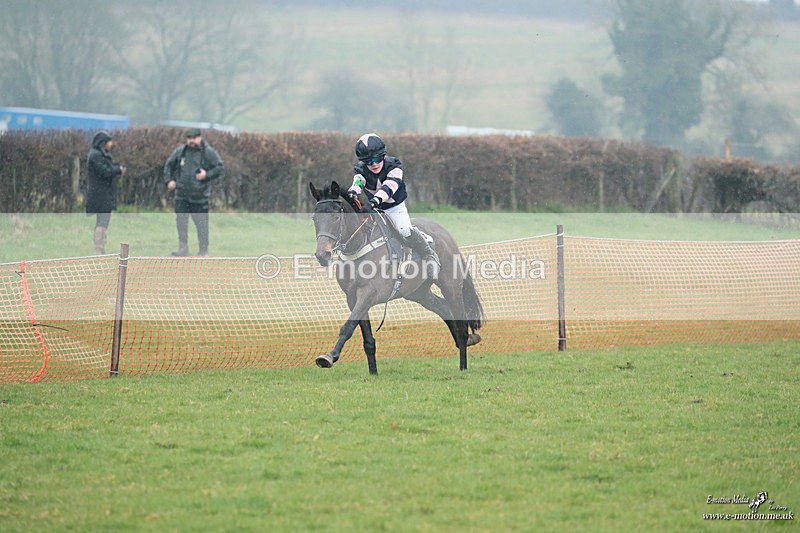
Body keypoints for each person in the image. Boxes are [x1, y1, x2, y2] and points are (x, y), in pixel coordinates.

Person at [347, 132, 440, 277]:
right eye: (369, 162)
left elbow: (389, 187)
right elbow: (358, 182)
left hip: (394, 207)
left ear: (384, 156)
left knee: (404, 230)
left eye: (377, 159)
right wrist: (353, 192)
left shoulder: (395, 165)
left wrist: (374, 201)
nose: (374, 164)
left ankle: (429, 254)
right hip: (376, 208)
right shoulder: (360, 170)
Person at [163, 128, 224, 256]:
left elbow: (219, 167)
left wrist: (206, 174)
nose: (191, 141)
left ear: (200, 138)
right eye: (189, 138)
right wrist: (169, 180)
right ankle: (183, 248)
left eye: (194, 138)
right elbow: (169, 165)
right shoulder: (181, 152)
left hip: (199, 196)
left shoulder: (208, 152)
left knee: (202, 225)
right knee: (181, 223)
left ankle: (203, 250)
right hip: (181, 195)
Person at [86, 130, 126, 254]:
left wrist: (116, 168)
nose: (111, 144)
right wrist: (118, 170)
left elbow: (108, 169)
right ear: (103, 143)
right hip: (100, 195)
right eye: (109, 142)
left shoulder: (99, 154)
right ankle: (98, 248)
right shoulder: (96, 155)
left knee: (103, 221)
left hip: (102, 194)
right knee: (102, 222)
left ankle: (101, 247)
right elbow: (105, 172)